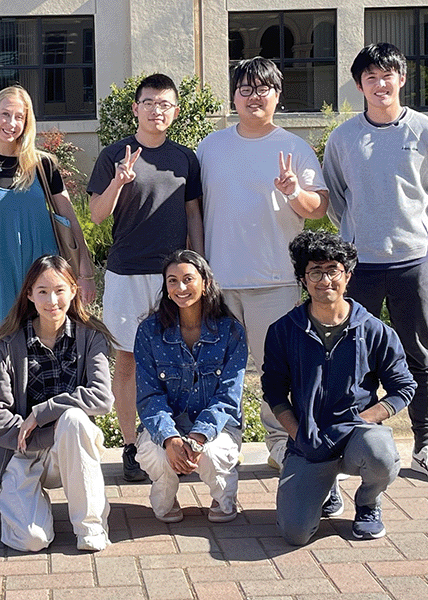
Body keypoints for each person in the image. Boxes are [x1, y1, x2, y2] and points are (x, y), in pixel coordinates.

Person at [197, 57, 329, 470]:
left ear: (278, 95)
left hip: (275, 278)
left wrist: (294, 192)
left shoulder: (294, 146)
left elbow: (319, 208)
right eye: (246, 89)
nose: (254, 97)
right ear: (234, 96)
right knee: (218, 372)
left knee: (280, 370)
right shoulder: (210, 147)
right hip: (219, 280)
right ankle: (223, 443)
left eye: (263, 89)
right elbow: (194, 209)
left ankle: (280, 442)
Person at [263, 230, 415, 545]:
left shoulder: (375, 331)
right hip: (309, 440)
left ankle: (369, 502)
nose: (325, 279)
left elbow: (403, 387)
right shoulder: (283, 331)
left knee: (381, 453)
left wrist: (365, 420)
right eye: (315, 271)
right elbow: (274, 390)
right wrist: (297, 434)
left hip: (357, 436)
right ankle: (325, 487)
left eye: (333, 269)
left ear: (347, 275)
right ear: (303, 279)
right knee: (294, 533)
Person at [88, 73, 204, 482]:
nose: (158, 110)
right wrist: (119, 181)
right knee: (128, 363)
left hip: (174, 278)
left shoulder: (186, 158)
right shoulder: (113, 155)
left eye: (166, 104)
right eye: (150, 102)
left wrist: (199, 267)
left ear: (175, 111)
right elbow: (96, 215)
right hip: (126, 273)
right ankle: (132, 446)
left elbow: (193, 215)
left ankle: (174, 441)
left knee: (178, 360)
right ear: (136, 108)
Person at [323, 42, 428, 476]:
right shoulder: (344, 137)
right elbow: (335, 197)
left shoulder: (422, 130)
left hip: (414, 259)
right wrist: (356, 237)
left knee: (418, 352)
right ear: (359, 85)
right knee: (352, 352)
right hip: (360, 264)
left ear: (402, 78)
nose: (379, 84)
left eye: (387, 75)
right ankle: (356, 437)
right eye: (370, 77)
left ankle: (425, 440)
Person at [0, 255, 113, 552]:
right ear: (29, 295)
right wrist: (37, 433)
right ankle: (23, 508)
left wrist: (43, 412)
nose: (51, 299)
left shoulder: (91, 337)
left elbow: (102, 397)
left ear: (74, 290)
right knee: (32, 540)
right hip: (19, 449)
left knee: (75, 420)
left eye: (59, 290)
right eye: (42, 291)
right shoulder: (8, 343)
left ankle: (90, 526)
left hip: (67, 446)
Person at [0, 86, 95, 356]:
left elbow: (69, 219)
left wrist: (85, 272)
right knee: (1, 356)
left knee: (50, 352)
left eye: (19, 117)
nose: (11, 123)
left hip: (43, 277)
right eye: (5, 114)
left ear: (27, 121)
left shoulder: (43, 165)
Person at [134, 250, 246, 523]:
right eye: (172, 281)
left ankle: (224, 495)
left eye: (188, 279)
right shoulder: (150, 331)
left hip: (217, 426)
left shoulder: (231, 331)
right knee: (156, 453)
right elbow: (149, 396)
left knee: (209, 453)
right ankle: (165, 494)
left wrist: (199, 436)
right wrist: (170, 438)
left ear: (205, 282)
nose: (180, 288)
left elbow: (228, 397)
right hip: (167, 422)